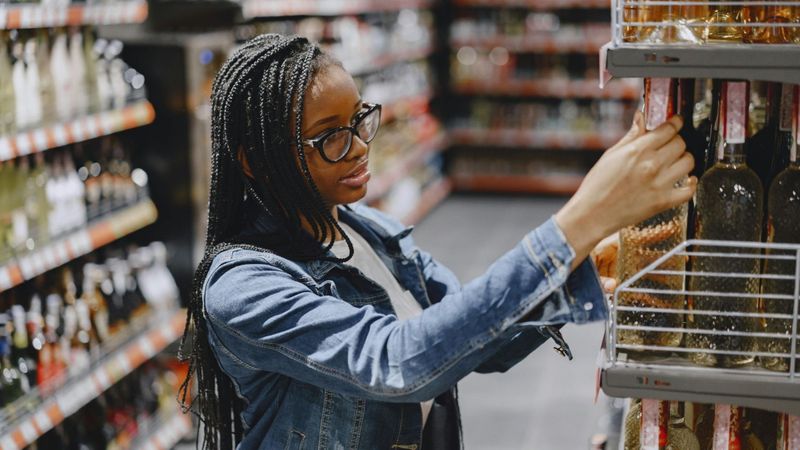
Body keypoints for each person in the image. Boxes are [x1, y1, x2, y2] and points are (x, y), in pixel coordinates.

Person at [177, 34, 696, 450]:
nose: (360, 147)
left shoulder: (366, 230)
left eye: (359, 118)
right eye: (329, 136)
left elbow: (472, 336)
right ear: (253, 160)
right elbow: (397, 361)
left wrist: (581, 266)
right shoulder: (242, 288)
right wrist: (577, 224)